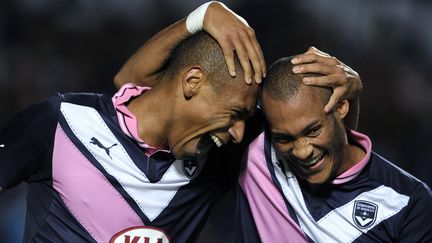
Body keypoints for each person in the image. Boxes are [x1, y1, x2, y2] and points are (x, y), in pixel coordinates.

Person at [0, 2, 264, 242]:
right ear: (193, 82)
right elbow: (128, 79)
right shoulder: (62, 121)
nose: (239, 132)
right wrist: (199, 17)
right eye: (235, 113)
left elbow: (130, 79)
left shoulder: (219, 154)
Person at [235, 56, 432, 242]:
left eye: (313, 130)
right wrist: (205, 17)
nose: (302, 151)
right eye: (284, 138)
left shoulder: (408, 201)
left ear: (341, 107)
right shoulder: (254, 145)